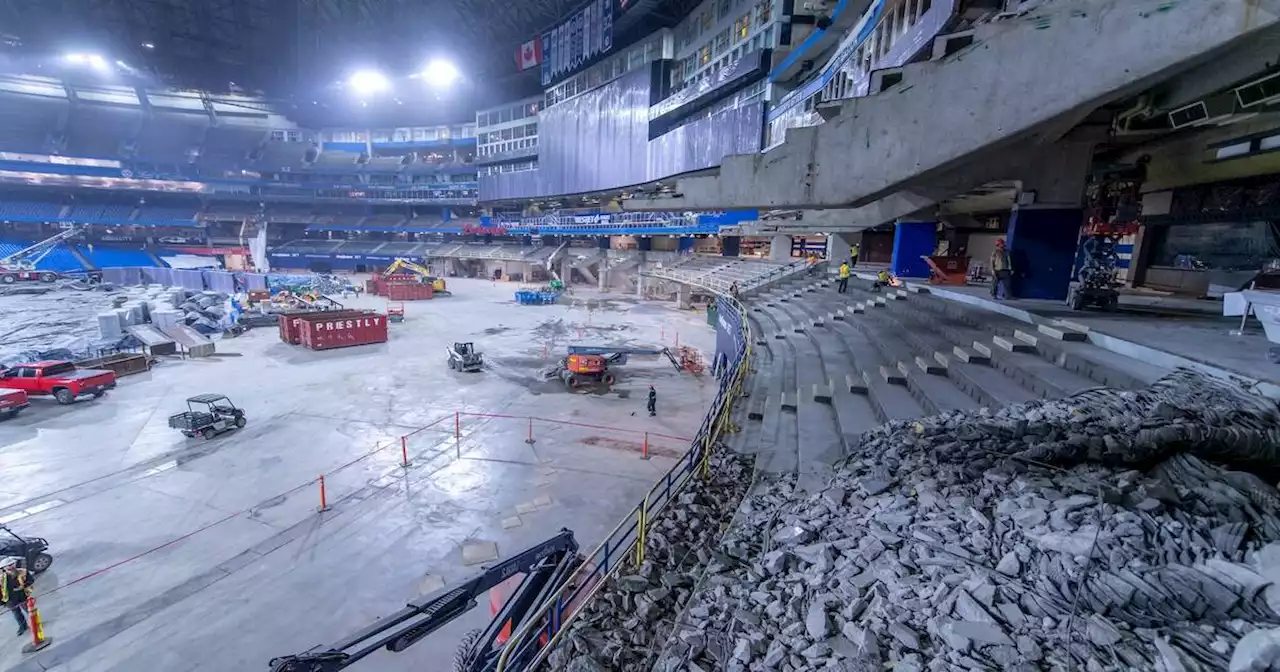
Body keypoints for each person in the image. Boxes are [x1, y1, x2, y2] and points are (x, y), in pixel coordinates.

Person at [0, 557, 30, 636]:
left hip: (23, 596)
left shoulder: (22, 572)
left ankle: (36, 623)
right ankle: (23, 627)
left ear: (15, 564)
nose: (10, 566)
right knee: (17, 614)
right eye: (8, 565)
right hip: (10, 600)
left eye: (11, 564)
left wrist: (24, 586)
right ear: (4, 568)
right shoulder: (1, 578)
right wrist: (2, 602)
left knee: (30, 611)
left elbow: (30, 580)